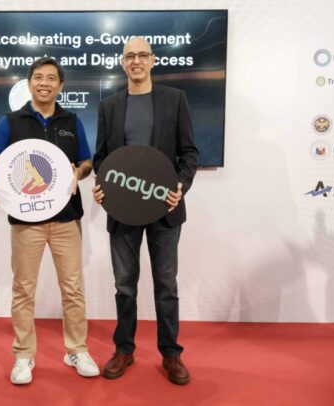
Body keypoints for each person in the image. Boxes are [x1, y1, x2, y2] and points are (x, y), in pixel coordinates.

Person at [92, 37, 199, 385]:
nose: (136, 61)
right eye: (130, 56)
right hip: (123, 209)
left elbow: (189, 153)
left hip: (165, 208)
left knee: (166, 285)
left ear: (153, 60)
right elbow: (101, 158)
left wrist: (179, 187)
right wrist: (102, 186)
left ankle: (171, 354)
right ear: (122, 62)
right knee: (125, 285)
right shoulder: (108, 105)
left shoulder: (175, 99)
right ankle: (124, 349)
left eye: (142, 55)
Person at [0, 57, 99, 385]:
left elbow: (87, 162)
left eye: (51, 78)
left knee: (73, 288)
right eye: (38, 77)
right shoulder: (10, 122)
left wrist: (78, 172)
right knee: (23, 289)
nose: (44, 83)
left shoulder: (72, 121)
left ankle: (76, 350)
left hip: (66, 218)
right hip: (26, 221)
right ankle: (23, 356)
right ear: (29, 82)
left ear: (60, 86)